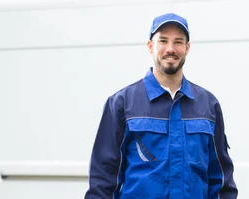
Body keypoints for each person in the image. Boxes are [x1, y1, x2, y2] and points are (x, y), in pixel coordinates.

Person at [85, 13, 238, 199]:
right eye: (163, 41)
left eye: (178, 42)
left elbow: (221, 180)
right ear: (151, 46)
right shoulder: (122, 104)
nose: (170, 49)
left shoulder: (208, 105)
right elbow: (103, 180)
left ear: (187, 48)